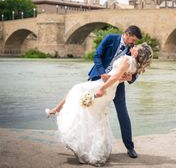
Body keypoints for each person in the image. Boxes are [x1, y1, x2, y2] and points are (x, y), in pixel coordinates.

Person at [47, 25, 143, 159]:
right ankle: (80, 141)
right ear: (126, 34)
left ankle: (130, 147)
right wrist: (102, 72)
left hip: (116, 84)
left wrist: (130, 77)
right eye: (132, 39)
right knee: (84, 106)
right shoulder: (110, 38)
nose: (133, 43)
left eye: (135, 41)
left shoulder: (133, 51)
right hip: (98, 77)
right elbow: (97, 55)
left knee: (123, 112)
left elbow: (135, 69)